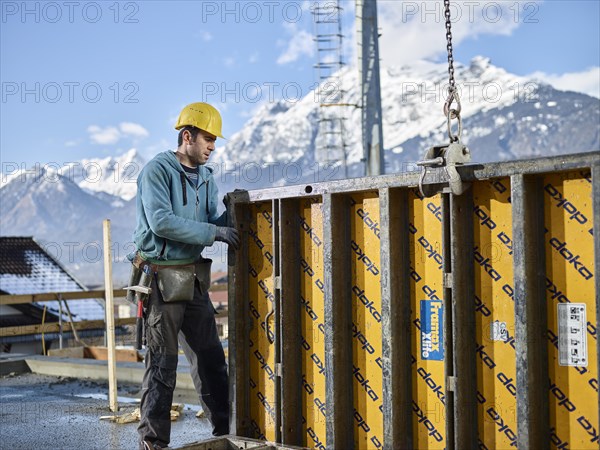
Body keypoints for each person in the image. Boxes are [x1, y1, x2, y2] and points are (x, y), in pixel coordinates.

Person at [131, 102, 240, 450]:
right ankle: (153, 441)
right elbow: (162, 222)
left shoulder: (206, 177)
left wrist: (232, 212)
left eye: (215, 141)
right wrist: (214, 232)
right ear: (186, 136)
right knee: (163, 363)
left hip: (192, 280)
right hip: (161, 279)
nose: (212, 146)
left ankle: (225, 429)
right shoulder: (156, 171)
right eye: (207, 139)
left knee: (210, 357)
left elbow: (210, 223)